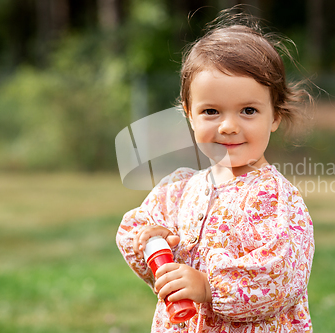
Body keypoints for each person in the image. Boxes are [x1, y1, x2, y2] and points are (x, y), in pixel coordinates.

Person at [116, 10, 315, 332]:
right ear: (189, 115)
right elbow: (140, 237)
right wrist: (151, 243)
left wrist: (210, 286)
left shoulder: (275, 199)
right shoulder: (177, 190)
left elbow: (281, 275)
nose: (228, 126)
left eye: (248, 111)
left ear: (275, 116)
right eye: (211, 111)